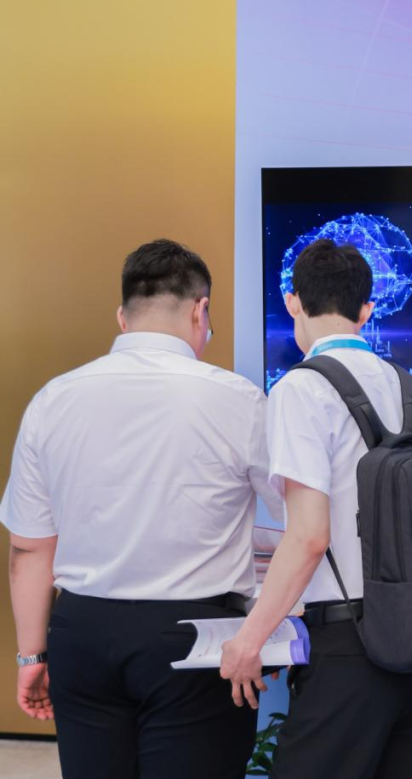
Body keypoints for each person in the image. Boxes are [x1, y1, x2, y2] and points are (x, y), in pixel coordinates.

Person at [0, 238, 281, 779]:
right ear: (201, 311)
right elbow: (299, 517)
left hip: (81, 633)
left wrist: (32, 657)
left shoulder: (53, 399)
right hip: (196, 639)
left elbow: (29, 548)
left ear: (122, 317)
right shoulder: (238, 399)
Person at [219, 238, 412, 779]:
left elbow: (309, 536)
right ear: (367, 309)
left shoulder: (302, 389)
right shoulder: (411, 389)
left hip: (350, 648)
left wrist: (250, 639)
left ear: (292, 301)